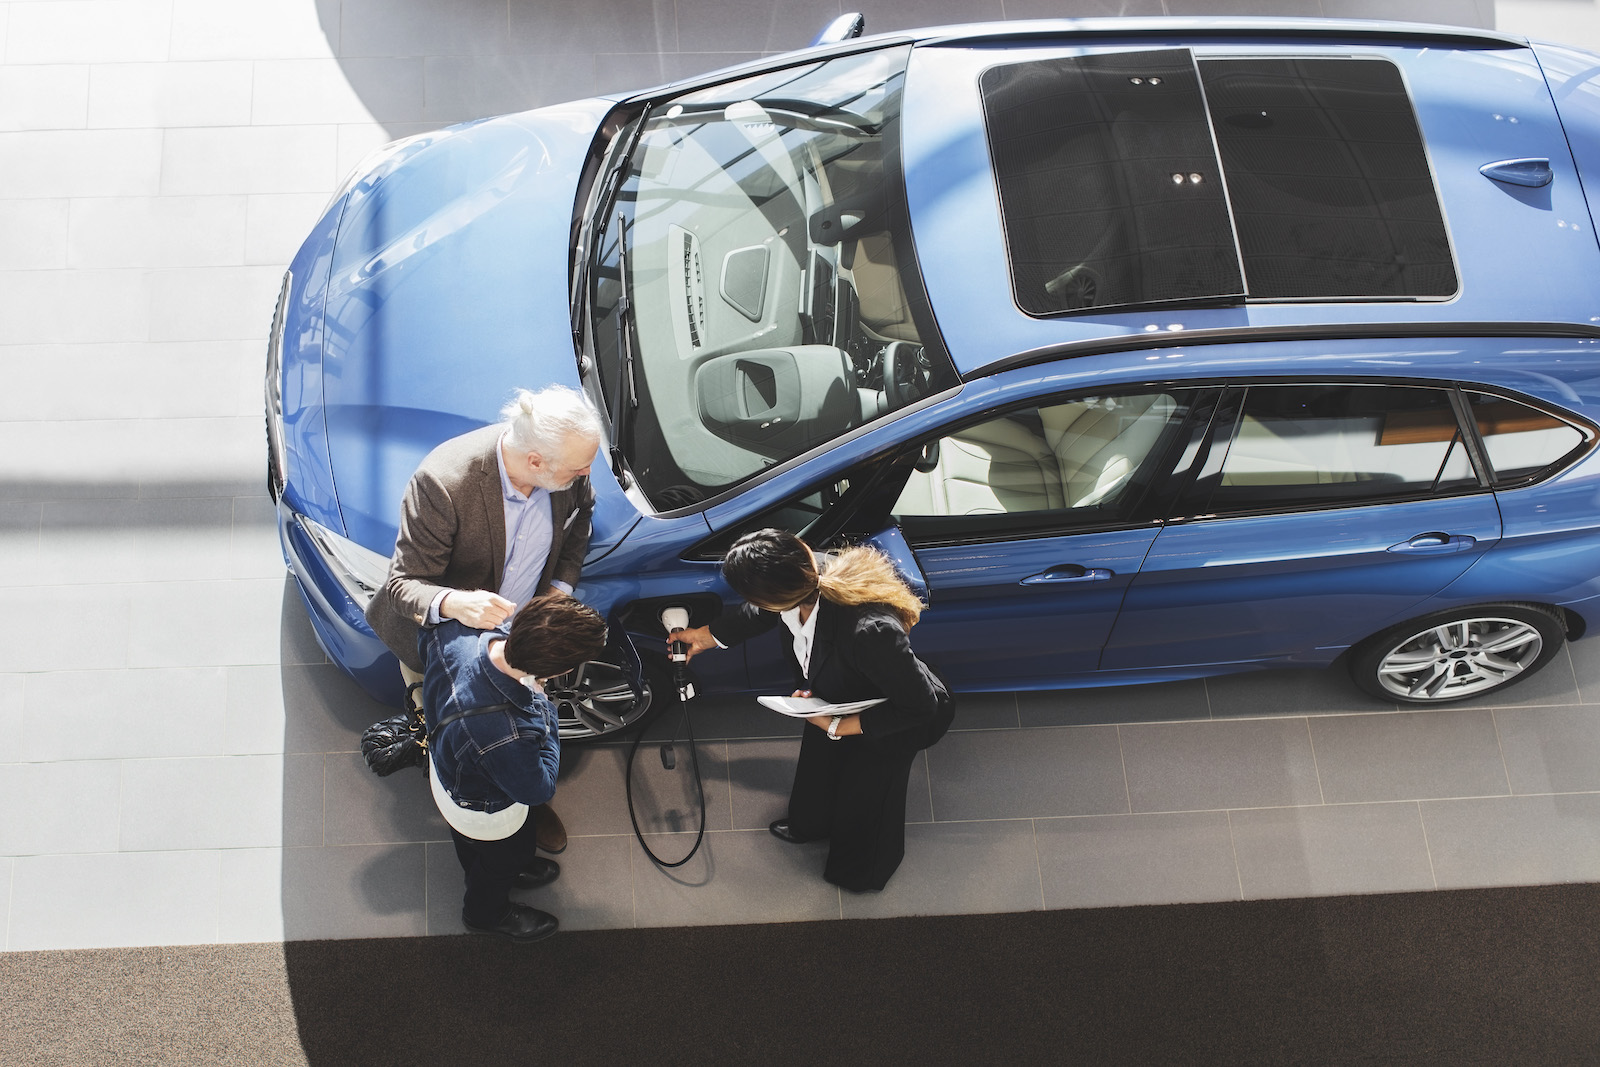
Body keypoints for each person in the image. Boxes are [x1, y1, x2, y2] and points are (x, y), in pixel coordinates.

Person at [367, 384, 602, 855]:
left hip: (520, 637)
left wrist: (557, 593)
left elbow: (579, 526)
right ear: (536, 461)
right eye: (579, 469)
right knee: (458, 726)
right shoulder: (444, 481)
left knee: (521, 721)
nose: (587, 475)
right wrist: (456, 603)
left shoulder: (569, 472)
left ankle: (520, 795)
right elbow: (401, 585)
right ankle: (465, 789)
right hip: (445, 639)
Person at [673, 529, 953, 891]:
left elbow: (919, 707)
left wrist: (839, 726)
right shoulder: (803, 574)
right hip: (834, 699)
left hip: (893, 718)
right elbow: (759, 612)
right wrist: (705, 636)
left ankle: (860, 874)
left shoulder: (871, 631)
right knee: (817, 770)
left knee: (866, 800)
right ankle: (810, 825)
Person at [423, 593, 608, 942]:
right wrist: (546, 709)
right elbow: (537, 788)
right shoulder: (506, 732)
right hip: (482, 807)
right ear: (559, 670)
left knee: (472, 845)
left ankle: (490, 869)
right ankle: (485, 913)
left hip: (445, 763)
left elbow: (425, 644)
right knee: (509, 854)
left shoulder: (457, 628)